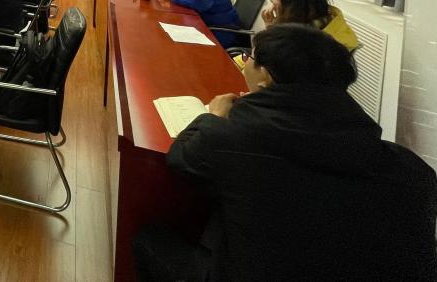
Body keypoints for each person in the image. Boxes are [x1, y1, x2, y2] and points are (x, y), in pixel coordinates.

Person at [134, 25, 437, 281]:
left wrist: (213, 116)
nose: (245, 62)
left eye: (249, 57)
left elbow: (180, 157)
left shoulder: (230, 139)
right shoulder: (412, 169)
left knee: (148, 238)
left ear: (265, 77)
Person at [261, 0, 359, 52]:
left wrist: (272, 30)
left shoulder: (307, 43)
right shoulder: (326, 21)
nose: (272, 4)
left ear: (294, 9)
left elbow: (267, 61)